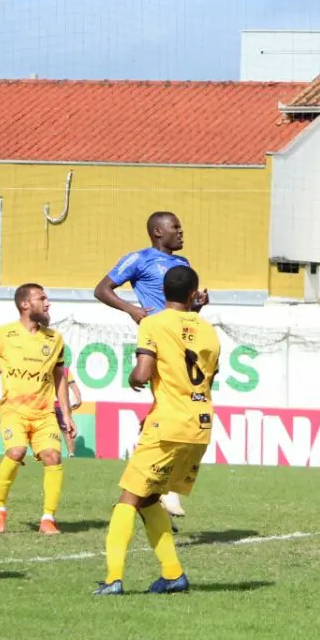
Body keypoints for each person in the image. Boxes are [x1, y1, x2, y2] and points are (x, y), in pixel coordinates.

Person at [94, 265, 219, 595]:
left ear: (163, 292)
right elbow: (208, 379)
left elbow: (143, 372)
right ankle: (172, 574)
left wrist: (134, 378)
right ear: (194, 295)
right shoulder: (209, 331)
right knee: (150, 498)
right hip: (200, 424)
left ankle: (112, 580)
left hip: (168, 425)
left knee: (128, 499)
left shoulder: (153, 323)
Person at [95, 211, 207, 519]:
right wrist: (131, 309)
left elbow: (185, 305)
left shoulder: (183, 265)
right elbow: (102, 289)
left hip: (183, 340)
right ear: (158, 232)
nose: (182, 232)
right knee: (172, 402)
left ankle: (150, 474)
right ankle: (163, 487)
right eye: (176, 227)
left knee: (174, 403)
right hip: (157, 339)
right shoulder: (138, 259)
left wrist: (197, 304)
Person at [0, 284, 74, 535]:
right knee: (16, 451)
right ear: (25, 304)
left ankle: (48, 519)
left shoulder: (55, 338)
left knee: (53, 456)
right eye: (42, 298)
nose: (48, 303)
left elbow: (59, 377)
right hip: (13, 412)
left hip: (44, 414)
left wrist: (67, 414)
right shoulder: (3, 334)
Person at [56, 370, 83, 458]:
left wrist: (78, 398)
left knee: (67, 429)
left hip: (62, 404)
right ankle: (40, 453)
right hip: (45, 404)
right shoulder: (43, 365)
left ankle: (71, 454)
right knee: (43, 428)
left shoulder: (64, 369)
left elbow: (73, 385)